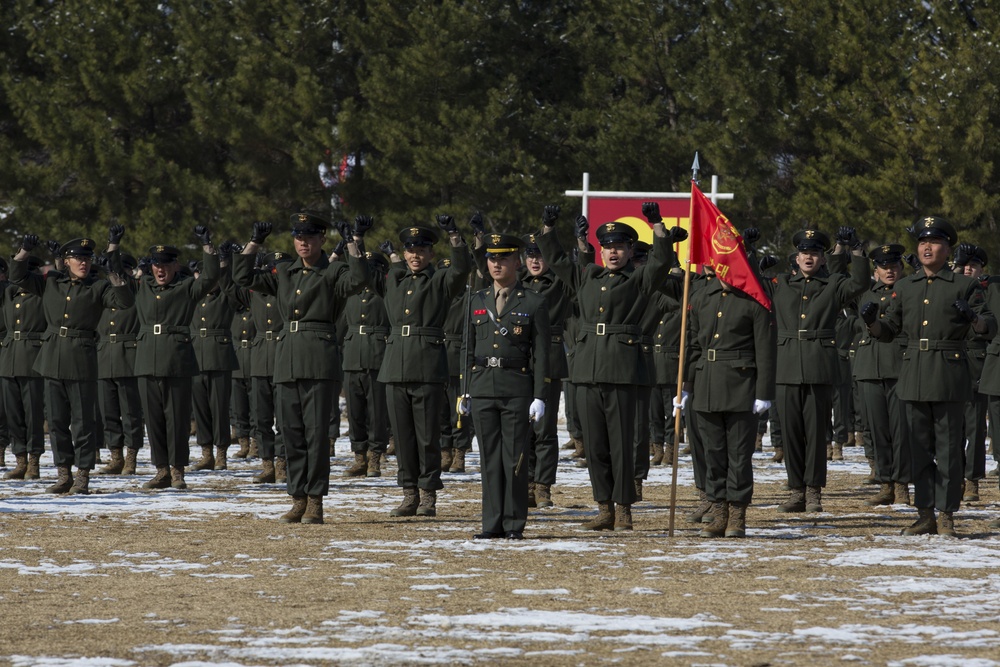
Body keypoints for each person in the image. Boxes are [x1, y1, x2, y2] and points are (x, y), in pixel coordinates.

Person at [537, 203, 682, 530]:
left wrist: (657, 225)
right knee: (597, 446)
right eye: (607, 247)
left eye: (619, 247)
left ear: (631, 250)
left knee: (623, 443)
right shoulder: (587, 275)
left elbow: (660, 262)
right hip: (587, 370)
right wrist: (548, 228)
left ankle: (624, 508)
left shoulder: (640, 278)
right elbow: (558, 261)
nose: (612, 253)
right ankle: (603, 507)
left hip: (622, 369)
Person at [863, 216, 995, 535]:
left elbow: (989, 326)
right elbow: (889, 330)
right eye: (922, 242)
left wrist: (973, 317)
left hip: (949, 375)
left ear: (947, 249)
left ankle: (947, 513)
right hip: (912, 374)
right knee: (917, 450)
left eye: (934, 242)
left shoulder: (964, 285)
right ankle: (925, 514)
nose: (926, 247)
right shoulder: (906, 286)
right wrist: (871, 323)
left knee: (949, 451)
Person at [234, 213, 369, 523]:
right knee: (291, 433)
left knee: (316, 434)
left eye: (309, 237)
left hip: (319, 360)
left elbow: (360, 279)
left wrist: (352, 243)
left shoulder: (333, 272)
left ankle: (315, 500)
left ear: (322, 239)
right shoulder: (285, 272)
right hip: (286, 360)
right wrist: (254, 243)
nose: (303, 242)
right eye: (298, 236)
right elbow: (242, 278)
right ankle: (297, 497)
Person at [10, 229, 134, 494]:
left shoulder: (98, 287)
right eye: (78, 258)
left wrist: (111, 268)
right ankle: (63, 474)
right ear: (66, 261)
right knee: (56, 422)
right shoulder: (51, 282)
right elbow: (17, 275)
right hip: (52, 358)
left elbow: (124, 301)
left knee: (82, 423)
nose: (83, 263)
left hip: (81, 359)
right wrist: (24, 250)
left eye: (87, 259)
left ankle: (82, 476)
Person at [378, 216, 471, 518]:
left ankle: (428, 494)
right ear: (404, 253)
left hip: (428, 366)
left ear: (431, 253)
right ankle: (408, 494)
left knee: (427, 435)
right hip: (395, 365)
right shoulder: (396, 279)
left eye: (421, 250)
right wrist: (354, 242)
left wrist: (455, 235)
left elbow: (460, 269)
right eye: (410, 250)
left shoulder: (440, 279)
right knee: (402, 437)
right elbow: (362, 276)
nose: (415, 255)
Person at [770, 227, 868, 513]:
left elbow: (860, 282)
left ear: (822, 258)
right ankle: (795, 490)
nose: (809, 257)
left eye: (814, 253)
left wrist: (856, 249)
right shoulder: (783, 283)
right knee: (790, 432)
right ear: (796, 258)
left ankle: (813, 492)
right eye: (804, 253)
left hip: (818, 365)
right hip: (786, 365)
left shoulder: (833, 285)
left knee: (815, 433)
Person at [463, 233, 549, 539]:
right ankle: (492, 524)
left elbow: (542, 353)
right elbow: (467, 349)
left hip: (516, 389)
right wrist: (465, 388)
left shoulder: (534, 302)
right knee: (489, 460)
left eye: (503, 258)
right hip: (483, 387)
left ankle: (514, 524)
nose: (496, 264)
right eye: (491, 258)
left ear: (517, 262)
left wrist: (539, 395)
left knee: (514, 460)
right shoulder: (476, 300)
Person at [683, 264, 776, 538]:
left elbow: (766, 349)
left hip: (741, 386)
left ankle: (737, 514)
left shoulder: (754, 299)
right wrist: (686, 385)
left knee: (738, 456)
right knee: (713, 455)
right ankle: (719, 510)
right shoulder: (700, 297)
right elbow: (692, 344)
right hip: (706, 384)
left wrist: (764, 392)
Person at [134, 228, 220, 491]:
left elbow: (211, 278)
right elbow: (118, 281)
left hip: (177, 358)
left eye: (166, 265)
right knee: (154, 419)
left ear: (175, 266)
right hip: (148, 358)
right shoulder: (143, 287)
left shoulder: (186, 288)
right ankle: (161, 470)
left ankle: (177, 470)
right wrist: (113, 249)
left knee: (177, 419)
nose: (160, 270)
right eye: (156, 265)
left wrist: (207, 246)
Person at [853, 244, 911, 506]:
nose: (890, 271)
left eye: (895, 266)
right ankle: (886, 484)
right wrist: (853, 255)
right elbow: (845, 280)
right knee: (877, 431)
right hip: (869, 368)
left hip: (899, 368)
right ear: (875, 270)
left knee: (901, 433)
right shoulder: (865, 292)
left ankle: (902, 487)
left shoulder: (910, 290)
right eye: (884, 267)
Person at [341, 248, 391, 478]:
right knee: (355, 412)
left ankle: (375, 458)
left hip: (377, 356)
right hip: (352, 357)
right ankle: (359, 456)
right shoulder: (350, 294)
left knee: (377, 413)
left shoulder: (386, 293)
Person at [189, 246, 240, 472]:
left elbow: (231, 286)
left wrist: (225, 265)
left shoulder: (225, 296)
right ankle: (206, 452)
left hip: (219, 357)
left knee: (219, 407)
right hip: (195, 357)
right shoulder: (192, 297)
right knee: (200, 408)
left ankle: (221, 453)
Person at [95, 250, 145, 476]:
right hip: (105, 355)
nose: (119, 273)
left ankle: (131, 457)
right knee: (109, 411)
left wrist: (113, 247)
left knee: (131, 411)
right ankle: (115, 456)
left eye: (124, 269)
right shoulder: (104, 291)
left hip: (129, 356)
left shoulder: (134, 290)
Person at [1, 255, 47, 482]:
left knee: (33, 414)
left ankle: (34, 461)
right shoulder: (9, 293)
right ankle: (19, 459)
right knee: (14, 414)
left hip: (32, 359)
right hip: (9, 359)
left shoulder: (42, 295)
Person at [952, 243, 990, 503]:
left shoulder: (986, 294)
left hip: (976, 364)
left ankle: (972, 480)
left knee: (975, 429)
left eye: (973, 266)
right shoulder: (950, 287)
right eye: (965, 265)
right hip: (949, 363)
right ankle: (954, 476)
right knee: (951, 428)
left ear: (981, 270)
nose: (968, 269)